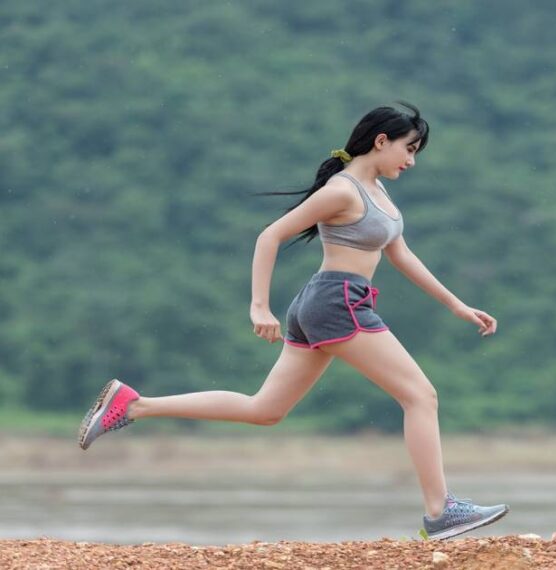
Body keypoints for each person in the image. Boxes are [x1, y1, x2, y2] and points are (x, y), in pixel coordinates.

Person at [78, 102, 509, 540]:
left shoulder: (378, 191)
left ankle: (133, 405)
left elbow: (400, 254)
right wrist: (258, 307)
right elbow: (271, 235)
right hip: (337, 303)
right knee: (421, 396)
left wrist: (456, 304)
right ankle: (441, 511)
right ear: (381, 141)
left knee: (264, 410)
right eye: (408, 148)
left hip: (325, 303)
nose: (411, 160)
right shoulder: (343, 191)